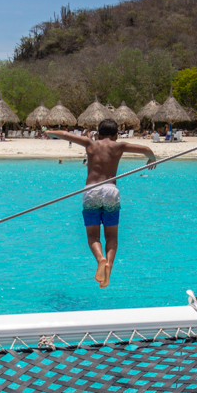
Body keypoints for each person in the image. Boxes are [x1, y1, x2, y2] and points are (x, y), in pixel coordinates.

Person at [47, 118, 156, 288]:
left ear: (98, 134)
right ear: (116, 135)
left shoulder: (90, 143)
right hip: (111, 190)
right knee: (111, 236)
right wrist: (152, 159)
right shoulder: (119, 146)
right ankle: (108, 267)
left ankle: (100, 259)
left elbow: (65, 134)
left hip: (92, 190)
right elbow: (147, 150)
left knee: (93, 236)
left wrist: (48, 132)